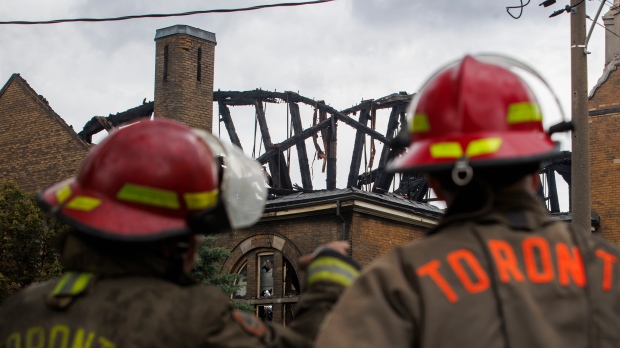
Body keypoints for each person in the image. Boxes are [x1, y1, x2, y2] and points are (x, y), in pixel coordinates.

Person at [315, 55, 620, 347]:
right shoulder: (608, 271)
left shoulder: (396, 286)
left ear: (433, 180)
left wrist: (326, 292)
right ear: (534, 170)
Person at [0, 119, 360, 347]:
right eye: (198, 231)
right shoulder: (192, 318)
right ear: (175, 241)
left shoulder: (22, 310)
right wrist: (330, 286)